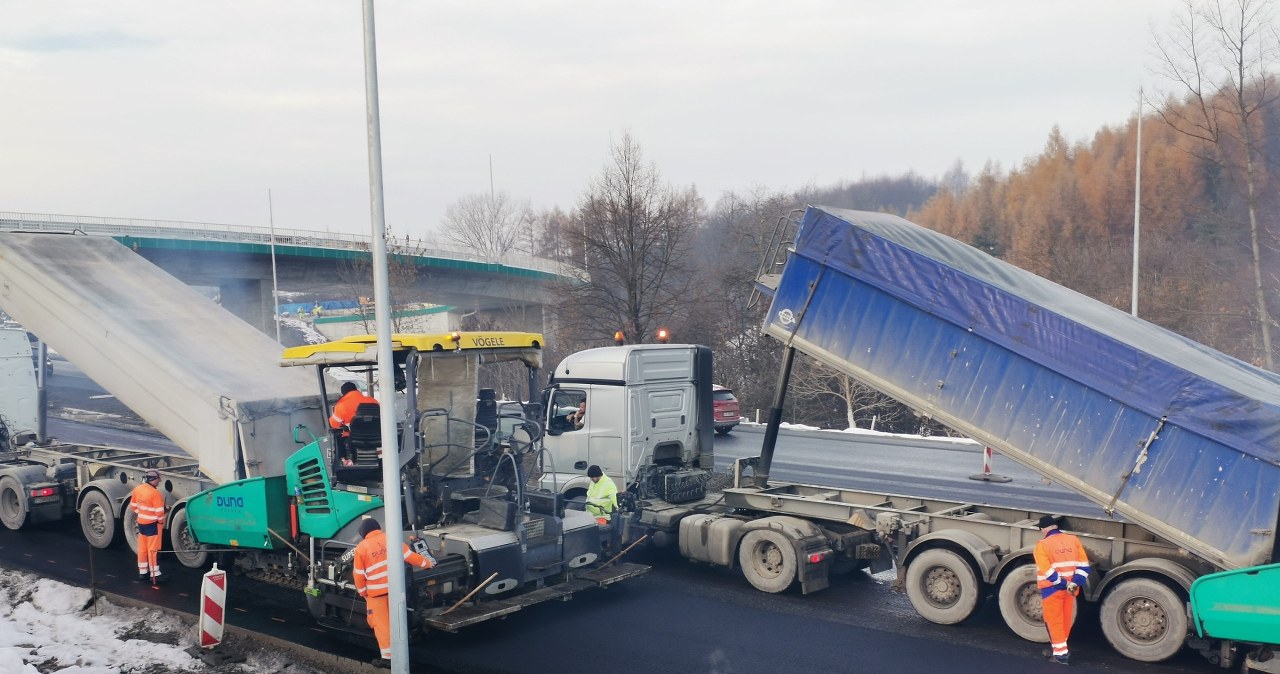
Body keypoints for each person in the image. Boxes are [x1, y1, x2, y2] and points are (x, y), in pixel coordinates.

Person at [352, 518, 435, 668]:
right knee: (397, 621)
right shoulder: (391, 538)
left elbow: (358, 575)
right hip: (395, 591)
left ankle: (388, 658)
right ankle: (403, 649)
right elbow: (410, 556)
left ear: (363, 533)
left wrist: (363, 593)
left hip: (376, 595)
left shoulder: (361, 548)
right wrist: (427, 563)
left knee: (381, 626)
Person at [1034, 514, 1091, 665]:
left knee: (1054, 621)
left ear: (1043, 529)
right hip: (1071, 589)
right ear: (1055, 527)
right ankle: (1060, 648)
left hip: (1052, 590)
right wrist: (1074, 583)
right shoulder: (1073, 540)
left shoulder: (1042, 545)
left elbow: (1047, 571)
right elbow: (1084, 566)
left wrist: (1062, 583)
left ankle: (1060, 656)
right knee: (1065, 619)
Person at [130, 469, 168, 584]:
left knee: (142, 549)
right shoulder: (155, 493)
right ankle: (154, 574)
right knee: (152, 550)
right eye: (158, 479)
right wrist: (161, 521)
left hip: (141, 524)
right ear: (153, 479)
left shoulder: (138, 489)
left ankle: (143, 572)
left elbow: (133, 506)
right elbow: (160, 513)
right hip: (153, 525)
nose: (160, 481)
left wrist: (142, 514)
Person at [330, 382, 379, 462]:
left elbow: (334, 424)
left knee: (337, 438)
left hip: (353, 439)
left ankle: (344, 462)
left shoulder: (342, 405)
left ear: (344, 394)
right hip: (377, 438)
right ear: (356, 390)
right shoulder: (374, 401)